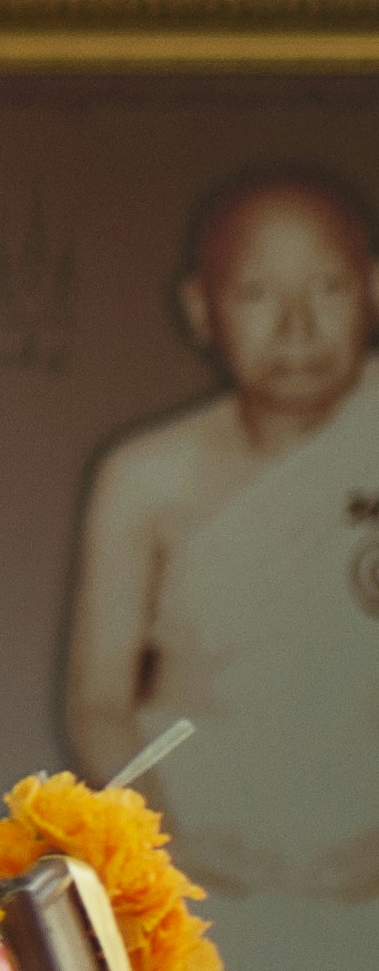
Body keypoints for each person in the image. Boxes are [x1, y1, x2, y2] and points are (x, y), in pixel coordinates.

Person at [63, 165, 379, 905]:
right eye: (258, 294)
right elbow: (97, 704)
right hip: (201, 853)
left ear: (373, 289)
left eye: (328, 289)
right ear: (202, 310)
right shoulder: (144, 479)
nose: (297, 326)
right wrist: (176, 852)